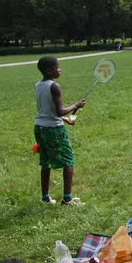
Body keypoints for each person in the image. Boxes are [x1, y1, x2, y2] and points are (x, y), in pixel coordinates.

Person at [34, 56, 86, 206]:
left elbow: (46, 111)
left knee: (46, 162)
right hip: (53, 129)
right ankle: (67, 199)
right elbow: (59, 111)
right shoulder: (54, 86)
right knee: (68, 160)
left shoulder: (38, 85)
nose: (60, 69)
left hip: (40, 127)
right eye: (57, 67)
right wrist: (76, 105)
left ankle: (46, 198)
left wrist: (67, 118)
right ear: (49, 70)